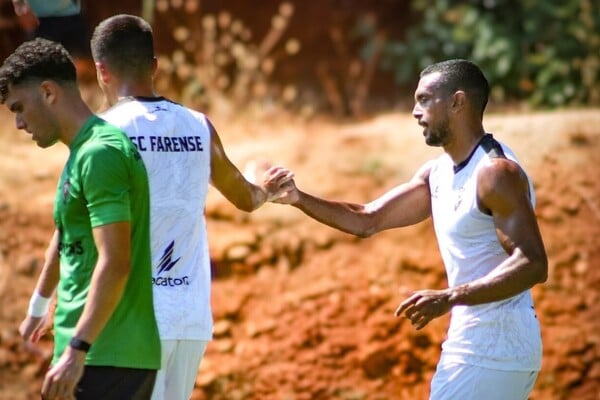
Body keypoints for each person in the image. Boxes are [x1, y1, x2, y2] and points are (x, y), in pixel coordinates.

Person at [264, 59, 548, 400]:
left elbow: (533, 262)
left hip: (496, 348)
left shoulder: (495, 173)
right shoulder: (438, 173)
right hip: (474, 344)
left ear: (458, 102)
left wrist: (450, 296)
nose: (415, 111)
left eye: (425, 99)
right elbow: (366, 219)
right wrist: (298, 198)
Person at [87, 14, 287, 400]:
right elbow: (246, 199)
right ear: (156, 66)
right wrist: (266, 189)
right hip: (188, 319)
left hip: (130, 322)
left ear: (101, 71)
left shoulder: (103, 134)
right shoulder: (198, 125)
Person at [1, 38, 161, 399]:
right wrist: (39, 308)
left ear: (47, 92)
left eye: (19, 108)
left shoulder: (101, 153)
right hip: (92, 351)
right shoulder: (82, 152)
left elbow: (116, 261)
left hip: (108, 354)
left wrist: (78, 349)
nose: (19, 123)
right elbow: (64, 237)